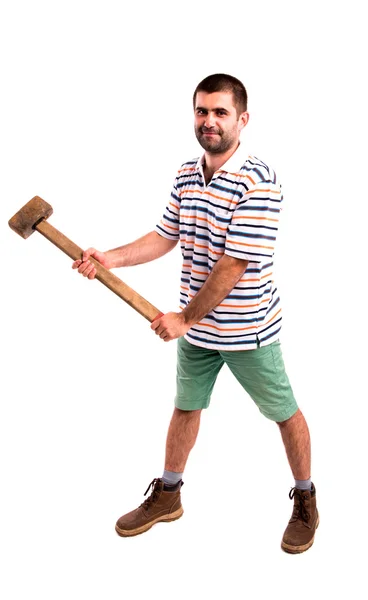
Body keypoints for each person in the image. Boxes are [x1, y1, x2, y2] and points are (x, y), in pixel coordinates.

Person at [72, 73, 319, 554]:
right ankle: (168, 494)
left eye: (220, 112)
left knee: (284, 413)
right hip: (196, 330)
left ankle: (306, 499)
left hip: (249, 331)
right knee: (186, 406)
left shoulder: (260, 181)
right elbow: (165, 236)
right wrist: (110, 258)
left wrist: (183, 318)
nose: (209, 121)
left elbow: (232, 266)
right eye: (202, 111)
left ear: (243, 119)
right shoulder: (187, 173)